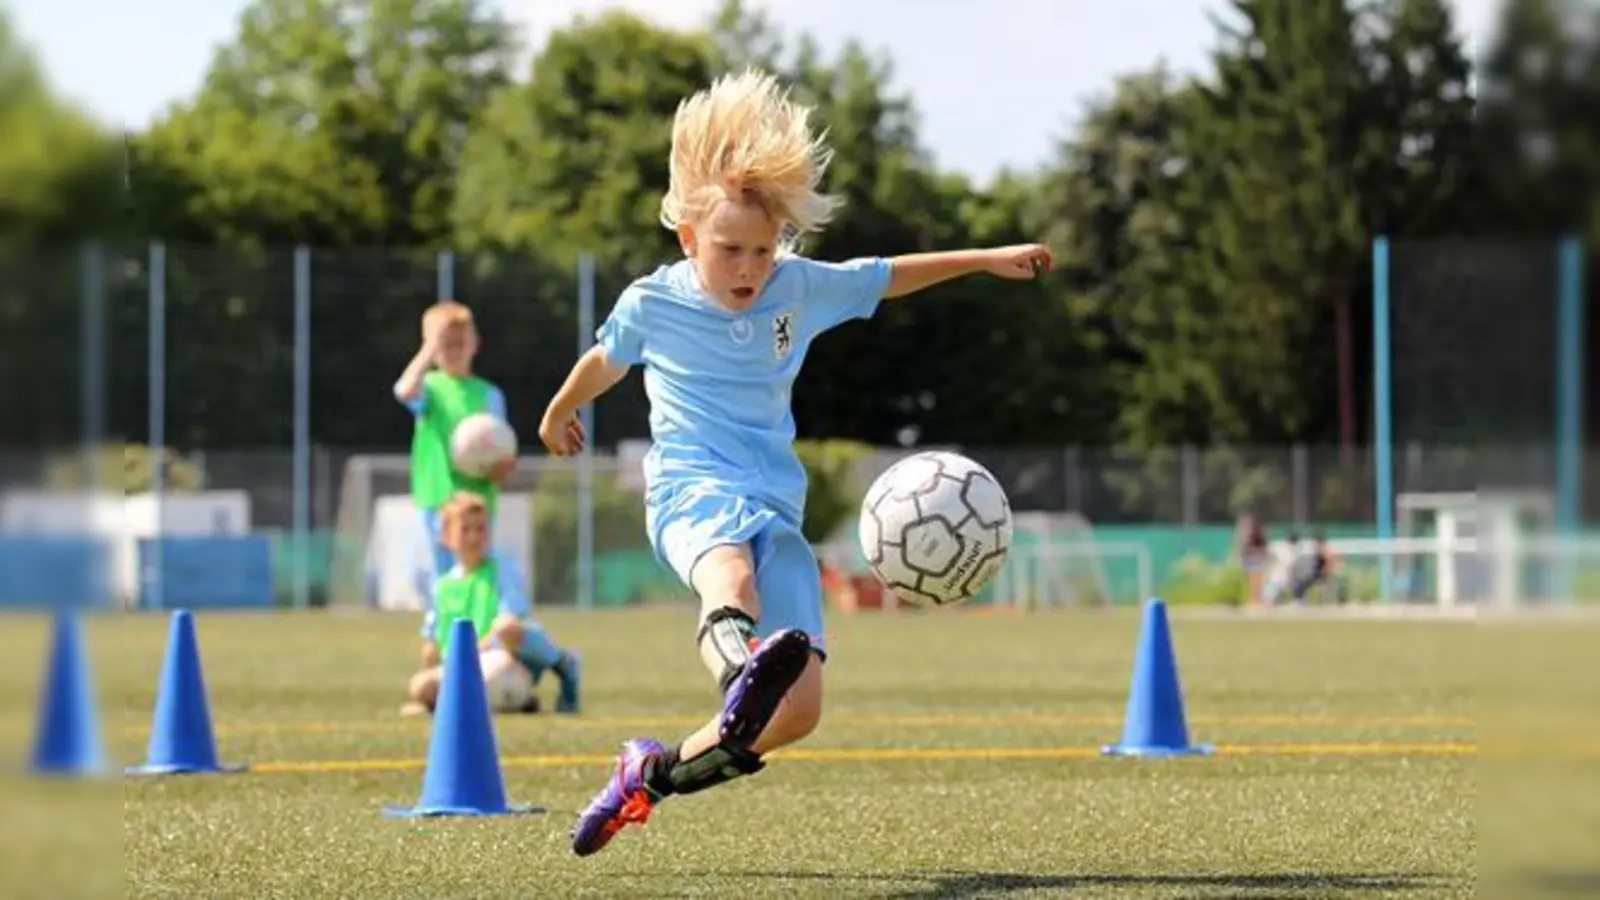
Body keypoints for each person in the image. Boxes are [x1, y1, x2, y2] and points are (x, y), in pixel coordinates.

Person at [537, 68, 1054, 857]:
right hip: (690, 488)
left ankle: (648, 774)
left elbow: (886, 275)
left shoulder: (795, 289)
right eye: (728, 250)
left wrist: (986, 258)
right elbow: (603, 362)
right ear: (687, 238)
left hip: (774, 503)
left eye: (761, 249)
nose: (747, 267)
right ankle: (740, 667)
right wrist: (559, 409)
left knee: (801, 711)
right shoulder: (655, 303)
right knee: (729, 581)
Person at [402, 493, 581, 716]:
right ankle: (517, 701)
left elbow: (511, 619)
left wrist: (475, 652)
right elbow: (432, 641)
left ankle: (561, 664)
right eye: (465, 529)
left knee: (506, 628)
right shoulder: (443, 585)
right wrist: (429, 675)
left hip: (498, 656)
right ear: (446, 536)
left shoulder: (502, 569)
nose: (474, 537)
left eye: (481, 529)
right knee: (419, 685)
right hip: (460, 666)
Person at [393, 300, 516, 581]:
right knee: (442, 577)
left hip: (477, 501)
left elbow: (502, 447)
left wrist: (502, 466)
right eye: (446, 343)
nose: (454, 350)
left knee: (475, 574)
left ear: (476, 344)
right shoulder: (430, 388)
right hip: (437, 497)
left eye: (461, 342)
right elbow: (403, 390)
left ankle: (475, 624)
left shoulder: (489, 394)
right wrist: (428, 348)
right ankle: (442, 624)